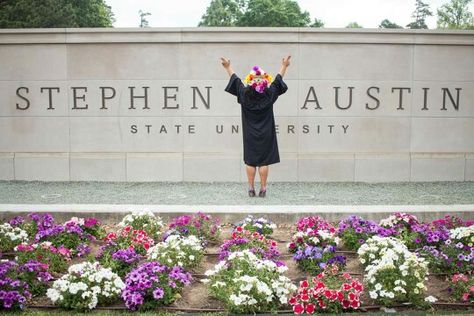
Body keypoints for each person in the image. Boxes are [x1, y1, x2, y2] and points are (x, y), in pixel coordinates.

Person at [221, 56, 291, 197]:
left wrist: (228, 67)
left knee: (250, 161)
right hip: (266, 133)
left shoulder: (244, 94)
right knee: (264, 161)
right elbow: (277, 81)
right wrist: (284, 65)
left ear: (250, 81)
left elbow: (236, 81)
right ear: (264, 82)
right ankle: (263, 188)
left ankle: (251, 189)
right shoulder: (269, 94)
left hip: (250, 133)